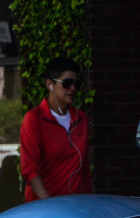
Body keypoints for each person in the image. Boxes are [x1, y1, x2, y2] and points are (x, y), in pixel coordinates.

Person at [19, 57, 91, 201]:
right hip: (46, 208)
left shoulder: (80, 118)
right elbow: (30, 169)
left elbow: (85, 169)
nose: (73, 88)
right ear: (50, 85)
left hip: (77, 205)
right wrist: (48, 203)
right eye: (67, 83)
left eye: (76, 84)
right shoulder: (34, 119)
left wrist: (89, 202)